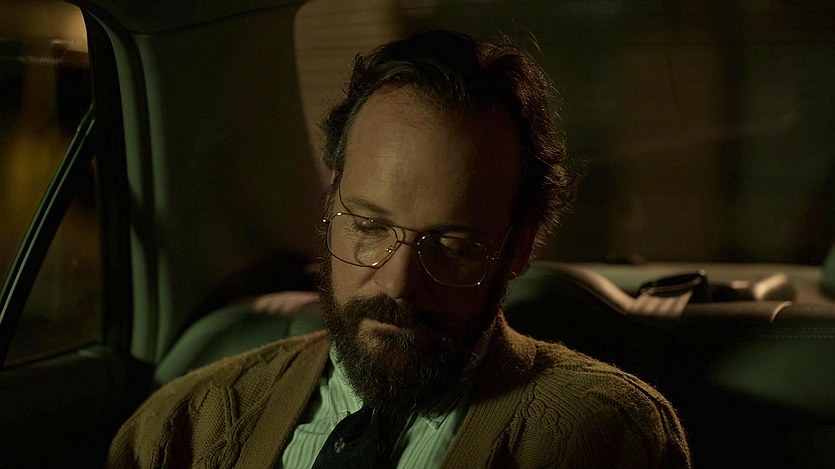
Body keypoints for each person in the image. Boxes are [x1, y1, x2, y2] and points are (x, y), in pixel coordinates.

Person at [107, 29, 691, 468]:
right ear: (331, 202)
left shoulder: (604, 435)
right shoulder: (183, 425)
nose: (397, 283)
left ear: (520, 245)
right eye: (368, 225)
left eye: (453, 244)